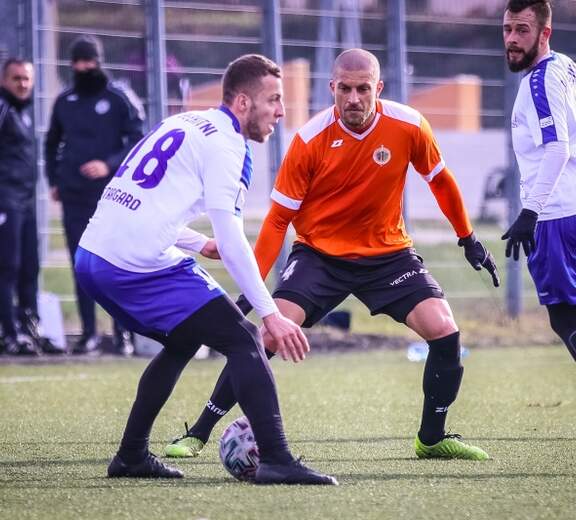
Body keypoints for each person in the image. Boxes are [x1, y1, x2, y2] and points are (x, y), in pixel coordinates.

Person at [165, 48, 500, 462]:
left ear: (378, 88)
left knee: (445, 331)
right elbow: (278, 221)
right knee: (269, 335)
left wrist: (468, 238)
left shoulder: (409, 126)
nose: (354, 98)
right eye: (345, 89)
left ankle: (431, 439)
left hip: (389, 256)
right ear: (332, 88)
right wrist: (254, 288)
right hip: (319, 257)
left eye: (363, 89)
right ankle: (198, 433)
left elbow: (440, 181)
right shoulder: (309, 140)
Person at [74, 53, 337, 484]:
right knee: (246, 339)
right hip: (132, 264)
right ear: (242, 103)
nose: (281, 111)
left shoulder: (183, 122)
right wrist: (270, 313)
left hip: (92, 256)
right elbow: (232, 239)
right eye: (273, 99)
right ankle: (277, 459)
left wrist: (199, 244)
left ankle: (131, 455)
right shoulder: (229, 146)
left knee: (182, 341)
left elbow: (139, 202)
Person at [45, 35, 144, 356]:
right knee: (81, 264)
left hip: (112, 197)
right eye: (77, 62)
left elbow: (138, 141)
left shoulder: (119, 98)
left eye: (87, 61)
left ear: (98, 62)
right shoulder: (65, 100)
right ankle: (88, 333)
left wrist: (108, 164)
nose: (82, 67)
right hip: (74, 195)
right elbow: (51, 143)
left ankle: (122, 333)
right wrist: (54, 180)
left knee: (115, 262)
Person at [502, 0, 576, 362]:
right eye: (507, 29)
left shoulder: (539, 82)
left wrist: (529, 212)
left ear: (545, 33)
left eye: (522, 30)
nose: (512, 39)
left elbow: (558, 149)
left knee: (566, 319)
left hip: (555, 217)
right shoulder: (565, 65)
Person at [0, 58, 63, 356]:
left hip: (24, 203)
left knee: (29, 267)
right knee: (7, 268)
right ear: (4, 80)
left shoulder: (21, 112)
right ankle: (9, 334)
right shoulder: (3, 108)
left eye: (26, 78)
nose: (23, 84)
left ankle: (31, 330)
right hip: (5, 201)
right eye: (16, 78)